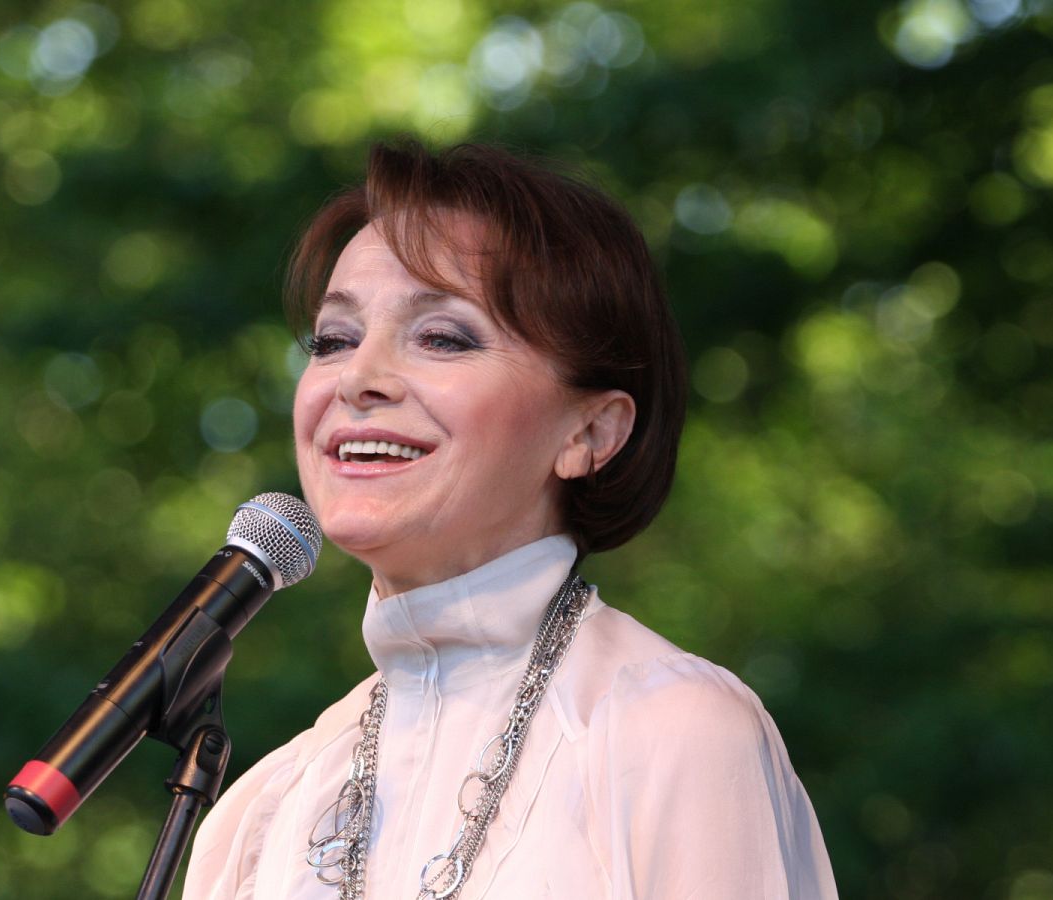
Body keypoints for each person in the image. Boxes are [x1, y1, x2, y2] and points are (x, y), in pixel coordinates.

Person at [182, 139, 838, 899]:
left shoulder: (673, 731)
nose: (358, 377)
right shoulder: (260, 814)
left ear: (589, 432)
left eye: (443, 337)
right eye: (334, 340)